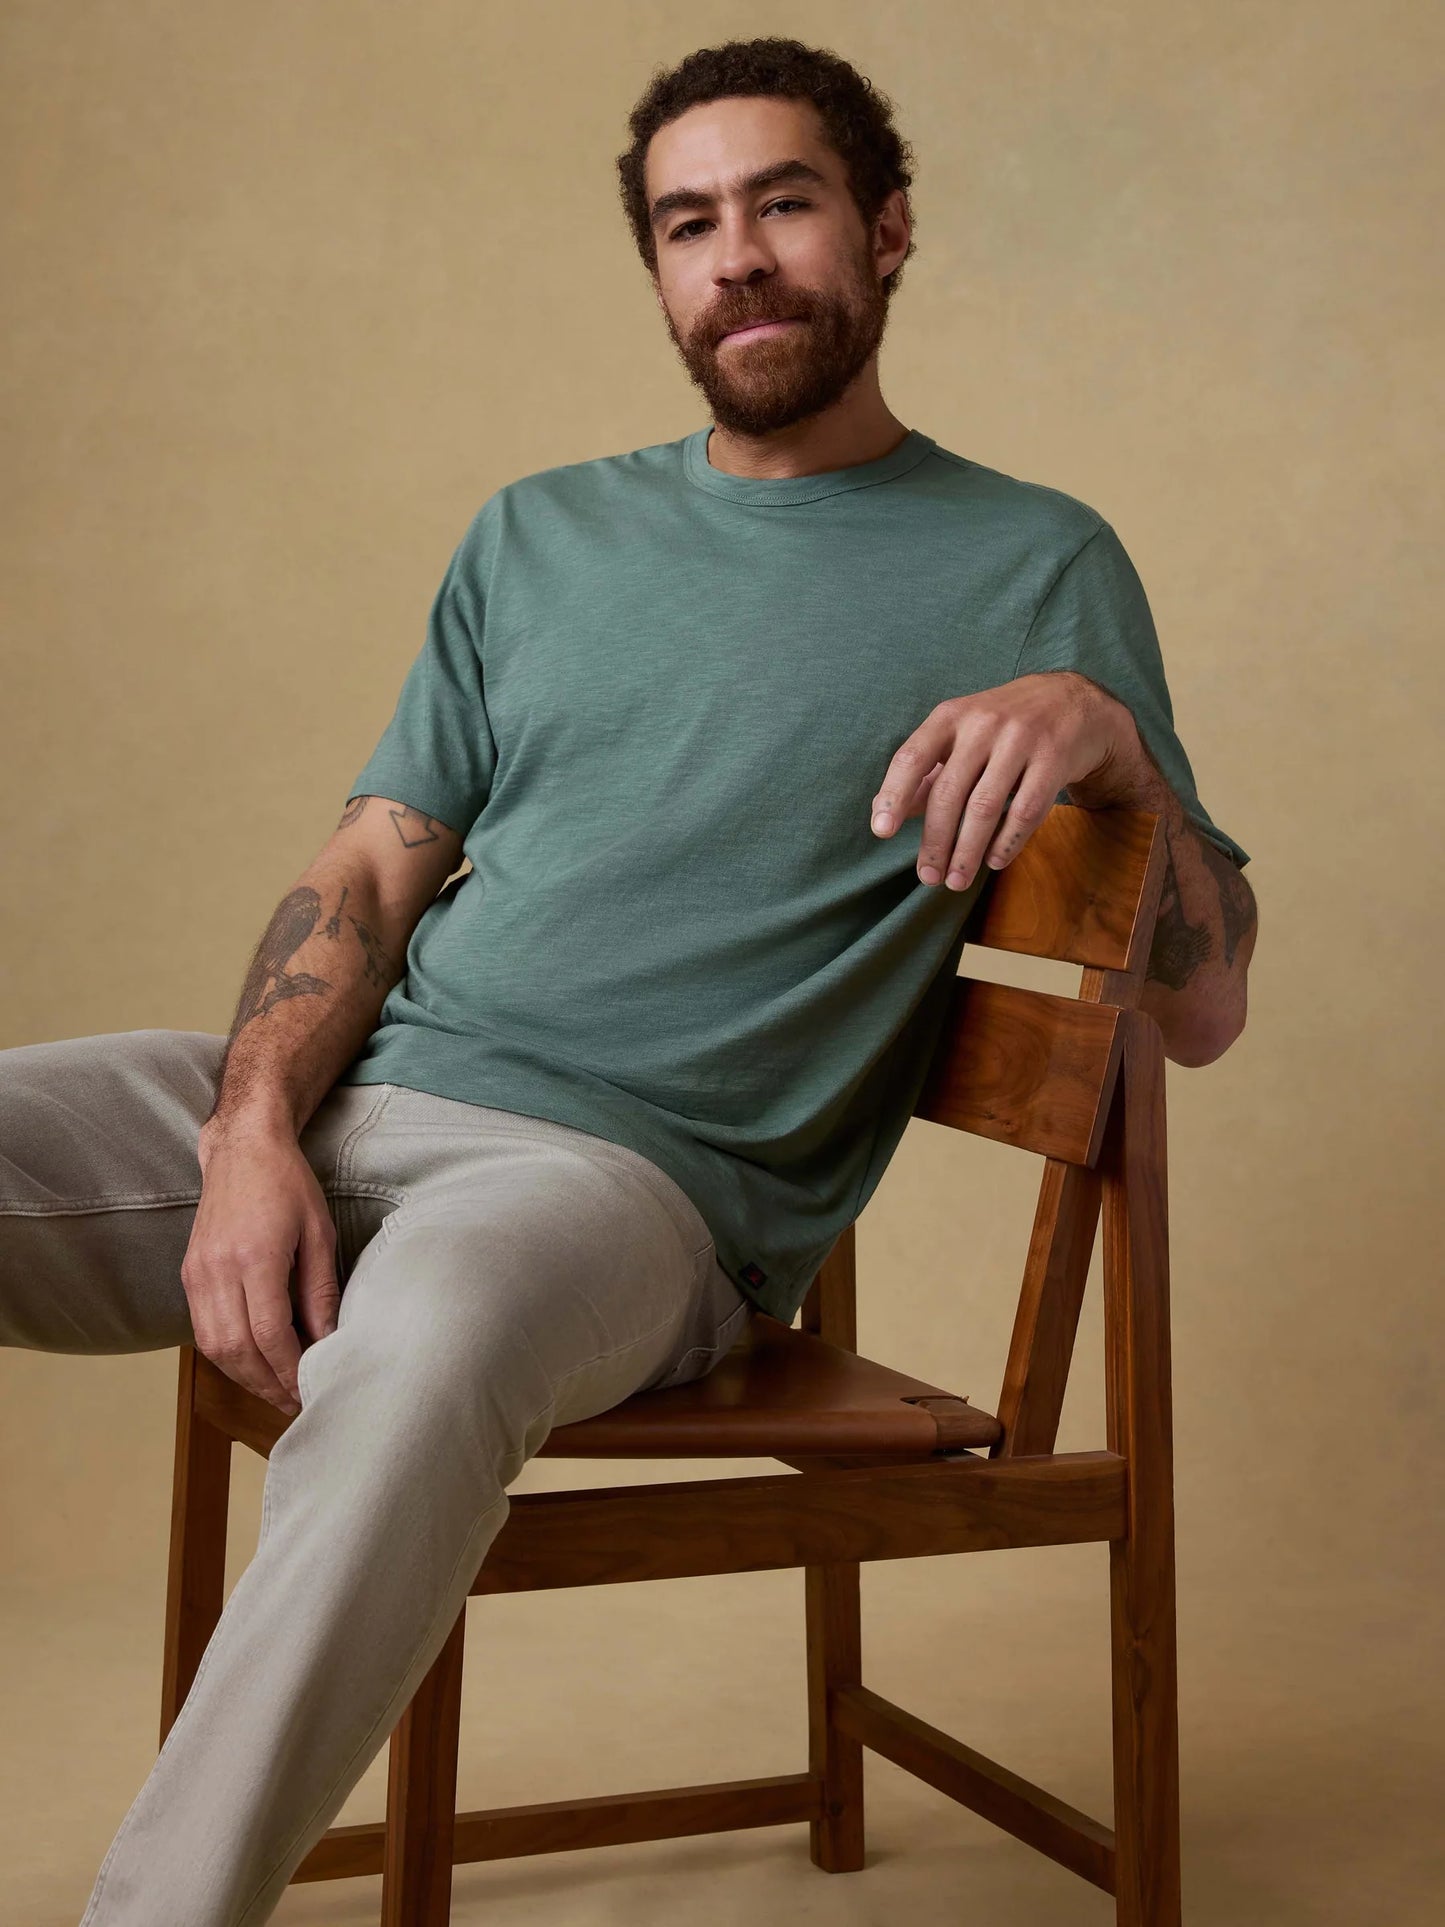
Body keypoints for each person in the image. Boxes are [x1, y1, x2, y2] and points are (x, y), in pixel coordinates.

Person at [1, 35, 1257, 1927]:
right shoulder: (535, 532)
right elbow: (365, 870)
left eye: (783, 202)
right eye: (690, 222)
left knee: (420, 1346)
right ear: (660, 273)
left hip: (623, 1197)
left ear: (884, 228)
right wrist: (252, 1124)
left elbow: (1209, 1003)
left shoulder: (1032, 562)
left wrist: (1105, 739)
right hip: (352, 1099)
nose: (735, 254)